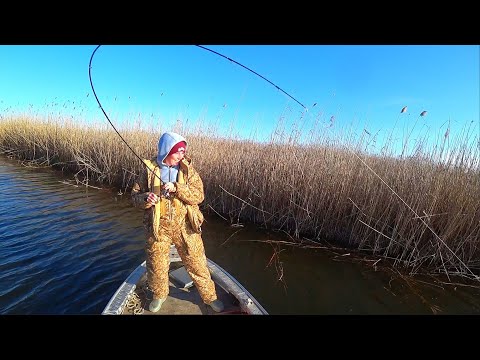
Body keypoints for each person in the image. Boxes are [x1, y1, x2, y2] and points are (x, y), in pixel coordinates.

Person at [131, 131, 224, 313]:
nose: (182, 155)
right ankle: (159, 296)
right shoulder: (149, 170)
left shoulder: (187, 170)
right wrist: (145, 199)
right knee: (156, 264)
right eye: (178, 151)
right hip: (158, 227)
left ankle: (210, 298)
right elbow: (134, 197)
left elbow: (199, 195)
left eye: (183, 151)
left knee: (197, 263)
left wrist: (177, 188)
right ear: (166, 151)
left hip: (186, 226)